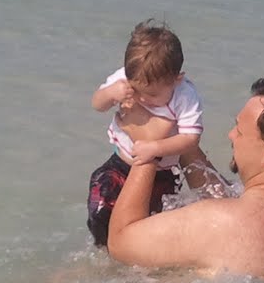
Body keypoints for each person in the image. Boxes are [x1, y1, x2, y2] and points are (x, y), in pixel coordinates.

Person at [107, 79, 264, 283]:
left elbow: (119, 242)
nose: (231, 135)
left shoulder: (220, 222)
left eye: (239, 130)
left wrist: (149, 149)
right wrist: (180, 145)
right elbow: (242, 215)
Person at [86, 20, 209, 247]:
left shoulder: (185, 96)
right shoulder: (125, 78)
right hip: (119, 163)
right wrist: (111, 93)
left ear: (177, 79)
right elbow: (96, 104)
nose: (142, 98)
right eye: (136, 90)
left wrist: (155, 148)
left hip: (161, 174)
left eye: (151, 94)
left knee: (150, 223)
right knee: (100, 206)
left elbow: (191, 139)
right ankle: (103, 247)